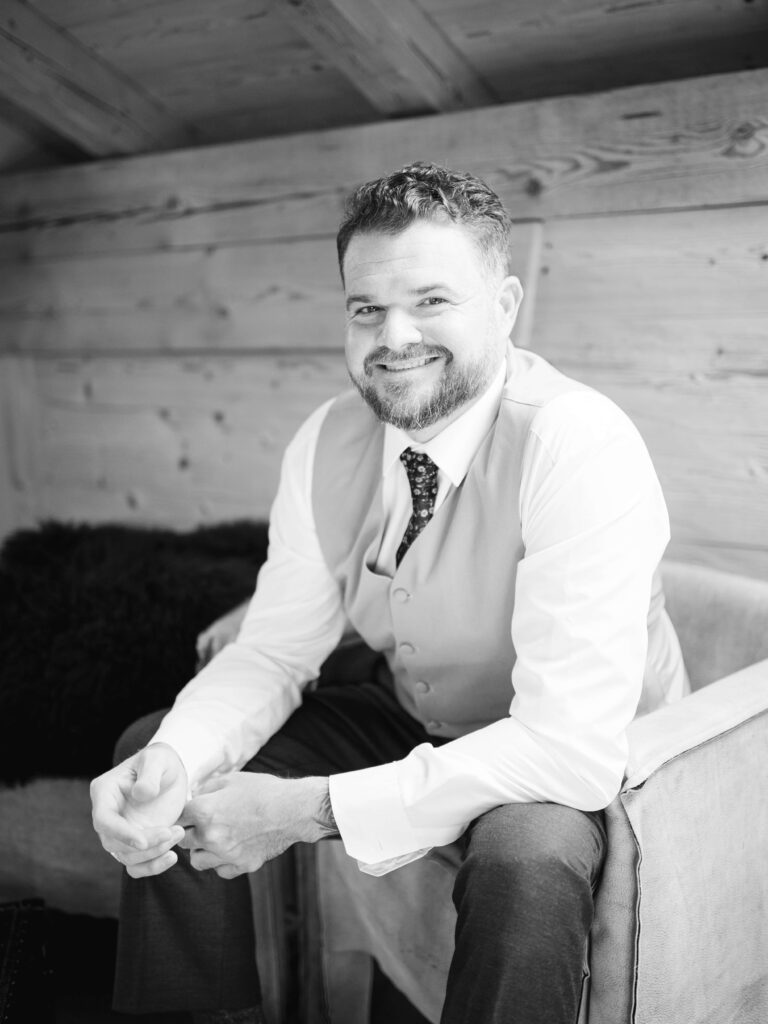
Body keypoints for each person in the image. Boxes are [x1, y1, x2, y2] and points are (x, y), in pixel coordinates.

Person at [90, 162, 688, 1024]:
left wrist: (309, 810)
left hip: (578, 757)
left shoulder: (578, 443)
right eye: (365, 309)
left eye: (431, 300)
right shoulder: (323, 442)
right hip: (413, 712)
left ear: (505, 305)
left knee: (527, 860)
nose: (393, 336)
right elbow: (275, 651)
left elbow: (567, 746)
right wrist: (177, 757)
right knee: (162, 759)